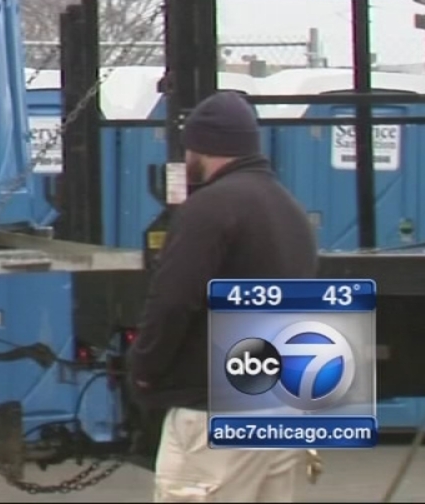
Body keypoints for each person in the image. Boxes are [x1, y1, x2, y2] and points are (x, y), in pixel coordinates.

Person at [129, 90, 319, 503]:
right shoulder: (292, 212)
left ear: (204, 146)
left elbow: (174, 300)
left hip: (213, 412)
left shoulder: (209, 208)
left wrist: (144, 367)